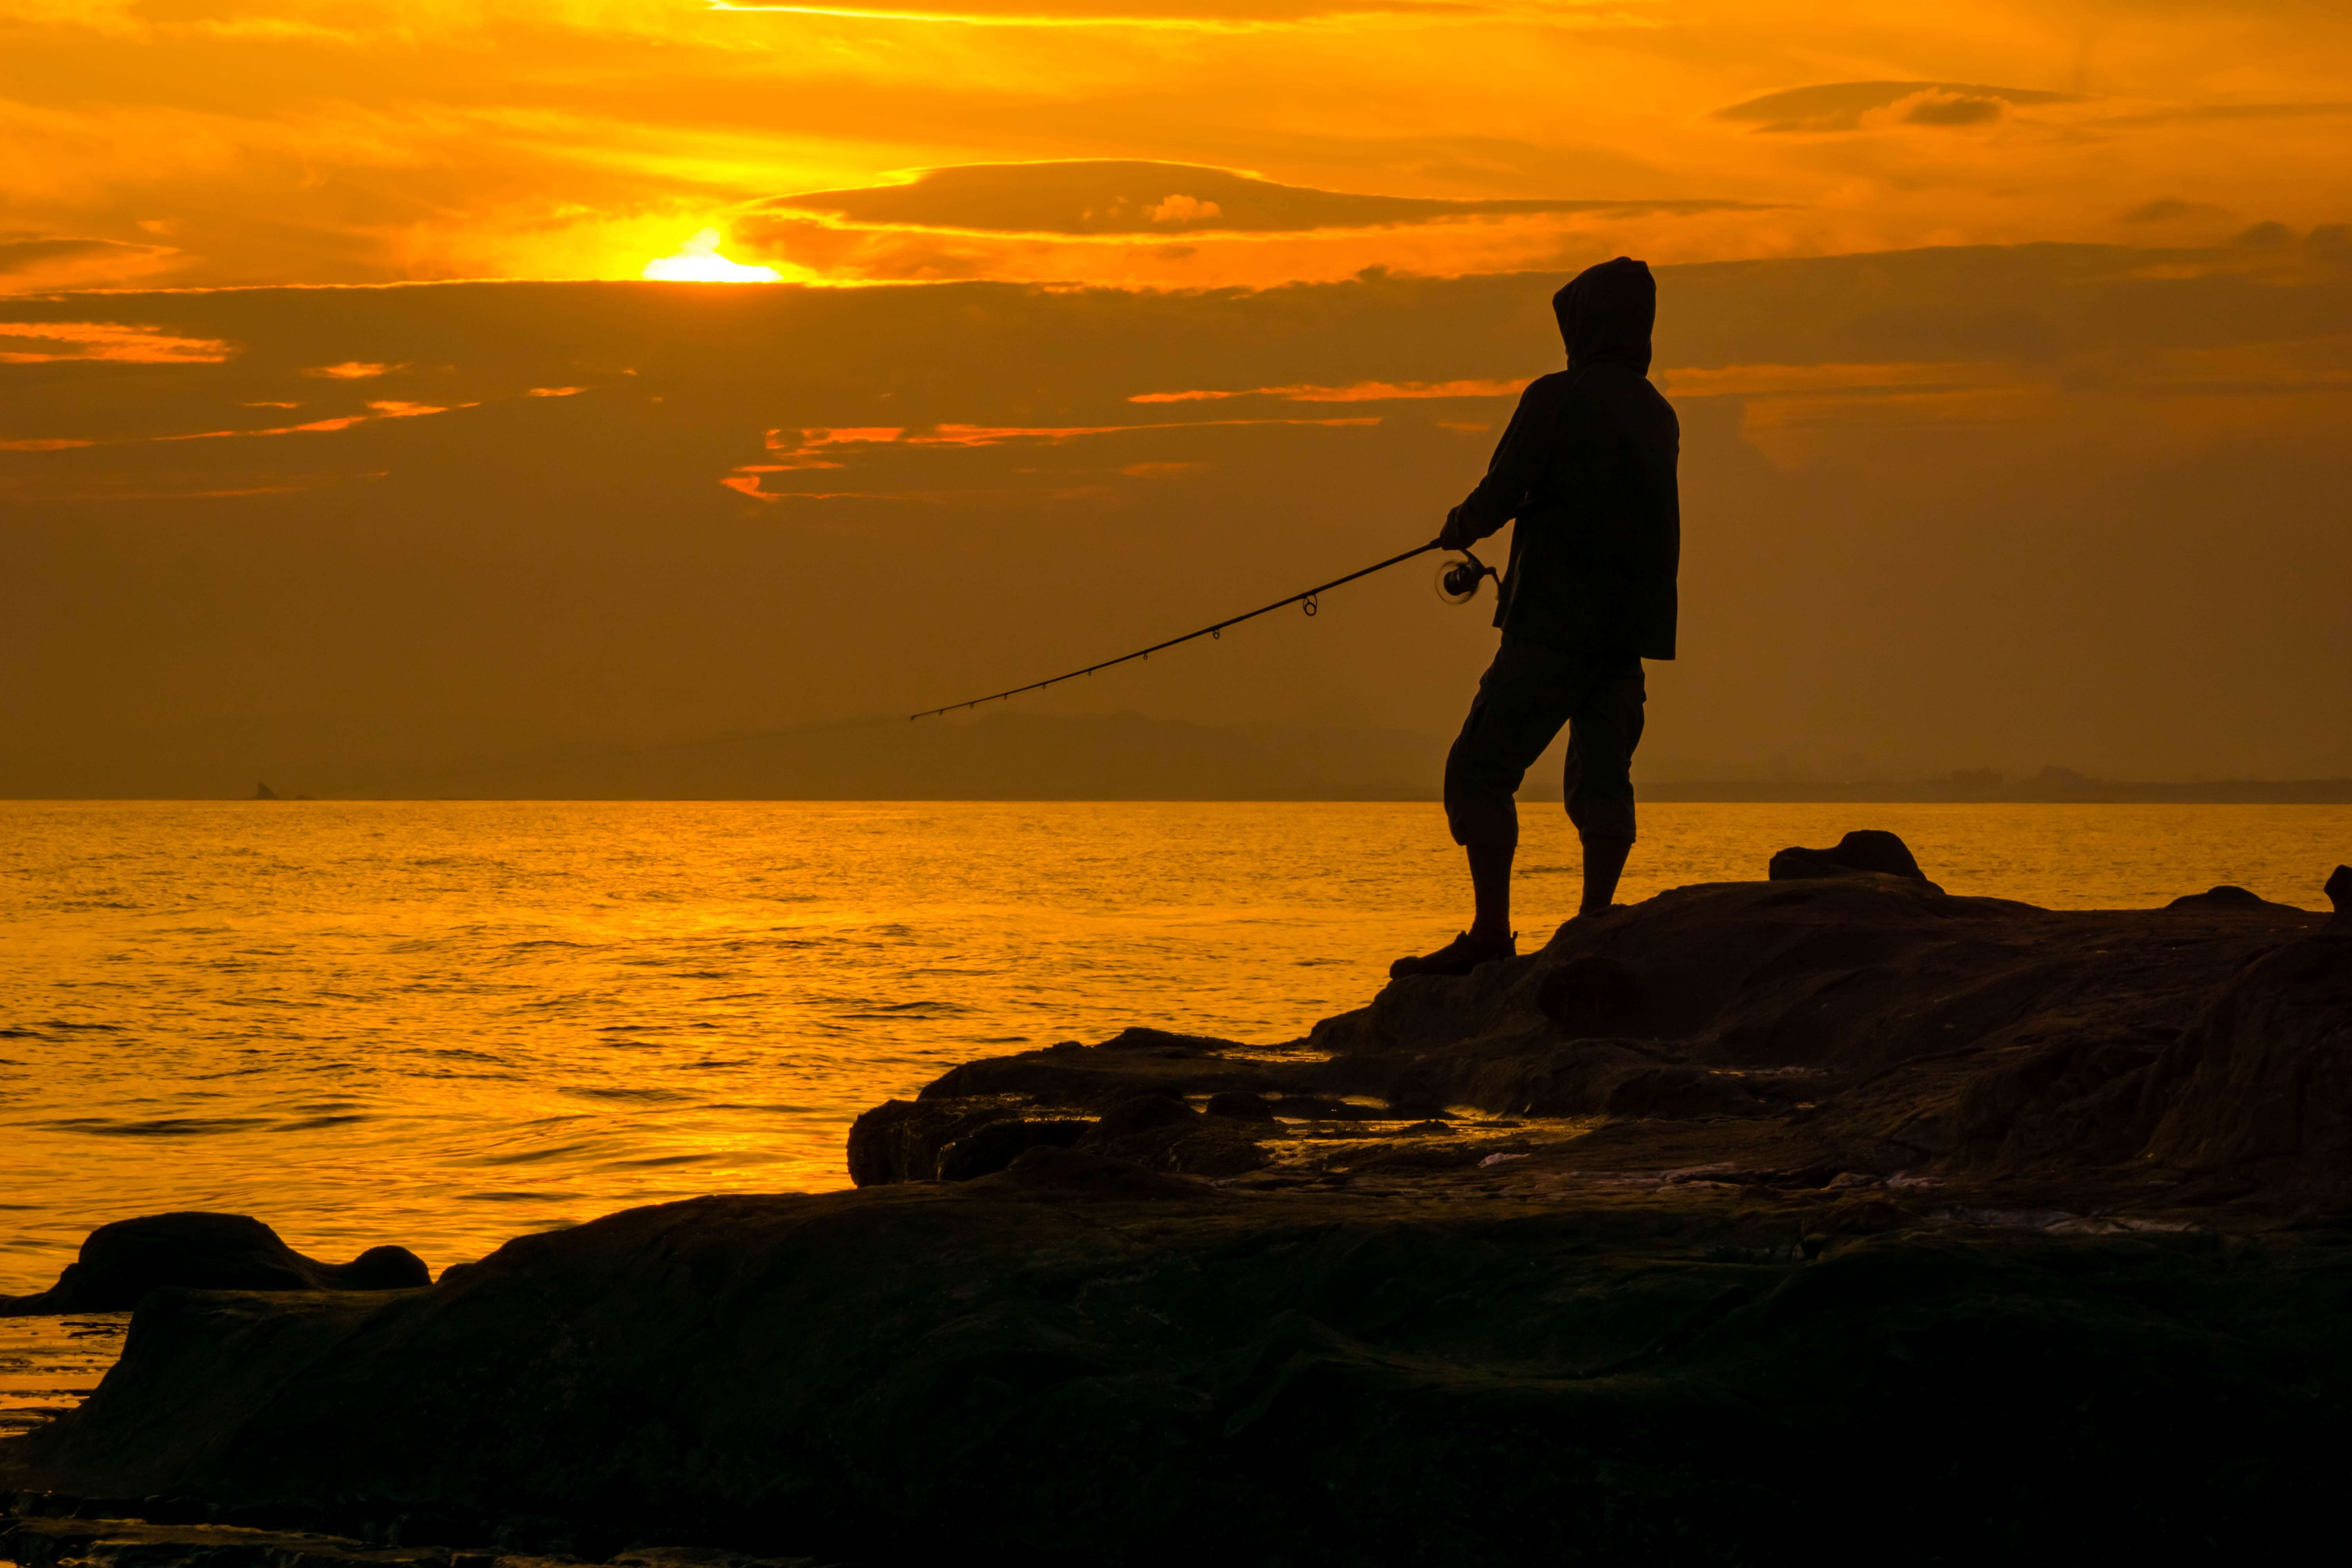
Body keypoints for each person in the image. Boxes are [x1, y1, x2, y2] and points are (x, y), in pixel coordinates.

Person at [1391, 257, 1680, 980]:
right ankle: (1595, 921)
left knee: (1480, 771)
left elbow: (1500, 491)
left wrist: (1460, 526)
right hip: (1628, 633)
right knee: (1604, 775)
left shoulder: (1557, 397)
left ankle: (1492, 935)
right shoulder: (1656, 412)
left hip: (1552, 625)